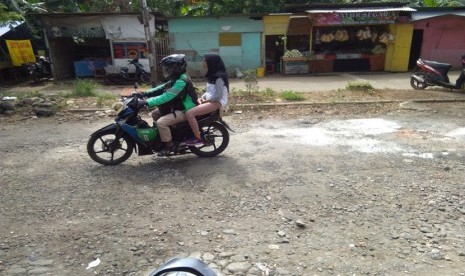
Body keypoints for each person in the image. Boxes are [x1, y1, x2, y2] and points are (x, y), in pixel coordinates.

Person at [136, 54, 197, 155]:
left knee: (161, 122)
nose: (167, 70)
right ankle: (166, 135)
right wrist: (145, 93)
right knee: (155, 113)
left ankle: (170, 145)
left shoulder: (181, 81)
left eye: (169, 68)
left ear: (177, 67)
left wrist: (147, 102)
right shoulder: (177, 78)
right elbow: (161, 88)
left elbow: (166, 96)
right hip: (177, 106)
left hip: (185, 109)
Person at [185, 53, 229, 147]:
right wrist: (202, 97)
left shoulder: (219, 77)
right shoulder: (212, 74)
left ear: (211, 62)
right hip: (211, 100)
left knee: (190, 113)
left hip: (217, 102)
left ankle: (197, 138)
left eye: (205, 60)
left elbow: (218, 96)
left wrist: (205, 101)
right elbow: (210, 91)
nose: (203, 62)